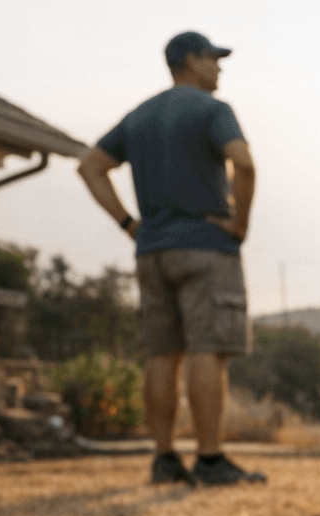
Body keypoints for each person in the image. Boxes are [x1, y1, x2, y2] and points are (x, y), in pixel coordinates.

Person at [77, 30, 265, 486]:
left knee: (162, 354)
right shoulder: (212, 111)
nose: (220, 68)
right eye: (213, 59)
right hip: (205, 246)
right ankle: (209, 459)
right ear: (189, 61)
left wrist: (128, 224)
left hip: (153, 252)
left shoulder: (141, 115)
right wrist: (239, 224)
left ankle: (164, 458)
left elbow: (90, 166)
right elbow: (244, 163)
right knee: (208, 349)